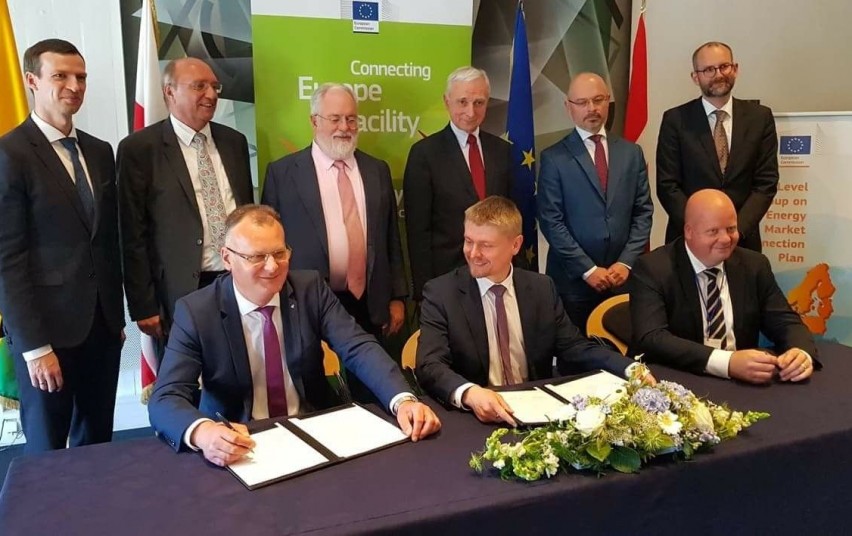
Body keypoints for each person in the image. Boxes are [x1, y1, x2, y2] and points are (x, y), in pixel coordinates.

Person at [148, 205, 440, 466]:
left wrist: (403, 400)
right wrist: (203, 432)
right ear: (227, 258)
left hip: (312, 429)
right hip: (240, 442)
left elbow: (357, 346)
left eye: (279, 253)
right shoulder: (197, 311)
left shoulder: (309, 289)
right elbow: (166, 396)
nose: (272, 267)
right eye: (257, 257)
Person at [415, 197, 653, 426]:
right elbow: (430, 364)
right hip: (475, 417)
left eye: (485, 245)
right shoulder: (441, 293)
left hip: (536, 412)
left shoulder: (541, 288)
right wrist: (470, 393)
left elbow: (574, 347)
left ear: (515, 245)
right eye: (469, 241)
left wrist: (629, 368)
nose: (473, 253)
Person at [0, 39, 125, 452]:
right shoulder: (10, 154)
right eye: (61, 76)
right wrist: (35, 348)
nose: (74, 86)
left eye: (81, 77)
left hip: (101, 330)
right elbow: (7, 260)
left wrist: (115, 319)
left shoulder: (100, 151)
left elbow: (106, 241)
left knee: (97, 445)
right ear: (32, 80)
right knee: (47, 452)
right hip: (47, 335)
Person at [117, 58, 253, 345]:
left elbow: (246, 214)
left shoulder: (234, 142)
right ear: (170, 92)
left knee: (241, 365)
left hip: (237, 283)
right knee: (185, 371)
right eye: (199, 86)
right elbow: (131, 234)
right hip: (179, 292)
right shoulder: (139, 150)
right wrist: (143, 304)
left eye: (215, 86)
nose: (211, 94)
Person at [261, 83, 406, 341]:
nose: (344, 127)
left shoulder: (377, 170)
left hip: (369, 304)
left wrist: (397, 296)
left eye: (351, 119)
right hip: (307, 304)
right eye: (335, 118)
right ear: (314, 121)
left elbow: (391, 237)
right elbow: (268, 243)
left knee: (370, 366)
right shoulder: (282, 174)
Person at [630, 189, 819, 384]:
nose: (726, 239)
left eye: (731, 229)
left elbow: (785, 321)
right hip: (677, 380)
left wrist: (800, 352)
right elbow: (653, 338)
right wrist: (727, 362)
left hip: (741, 387)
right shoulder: (652, 269)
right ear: (689, 231)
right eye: (713, 231)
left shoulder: (754, 265)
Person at [537, 72, 653, 333]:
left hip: (623, 280)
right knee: (575, 353)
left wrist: (626, 262)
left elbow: (643, 212)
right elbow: (551, 221)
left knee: (624, 351)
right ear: (568, 107)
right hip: (574, 284)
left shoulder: (631, 153)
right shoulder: (553, 158)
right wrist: (587, 269)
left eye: (598, 100)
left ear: (608, 102)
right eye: (582, 102)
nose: (591, 108)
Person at [403, 66, 514, 301]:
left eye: (478, 103)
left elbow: (512, 217)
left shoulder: (503, 151)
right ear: (447, 101)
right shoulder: (425, 154)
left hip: (497, 278)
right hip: (447, 281)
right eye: (462, 102)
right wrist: (425, 292)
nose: (470, 112)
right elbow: (418, 232)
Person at [656, 41, 778, 252]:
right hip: (689, 240)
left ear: (735, 69)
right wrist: (702, 229)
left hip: (743, 242)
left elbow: (766, 183)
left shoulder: (760, 117)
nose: (718, 74)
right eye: (708, 70)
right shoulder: (676, 120)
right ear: (696, 77)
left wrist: (734, 231)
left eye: (724, 66)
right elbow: (668, 185)